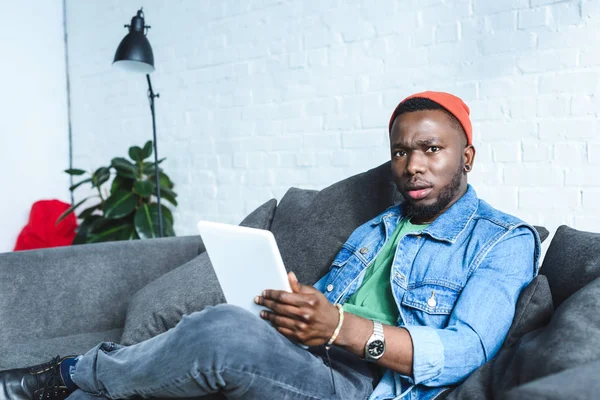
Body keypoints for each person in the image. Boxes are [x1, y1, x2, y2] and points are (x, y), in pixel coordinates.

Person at [0, 91, 540, 400]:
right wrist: (300, 307)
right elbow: (335, 301)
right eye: (401, 152)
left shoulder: (503, 240)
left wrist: (341, 328)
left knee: (218, 329)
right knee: (224, 322)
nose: (413, 165)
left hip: (367, 387)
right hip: (312, 356)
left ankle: (71, 371)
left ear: (466, 156)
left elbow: (466, 351)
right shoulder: (379, 226)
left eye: (431, 149)